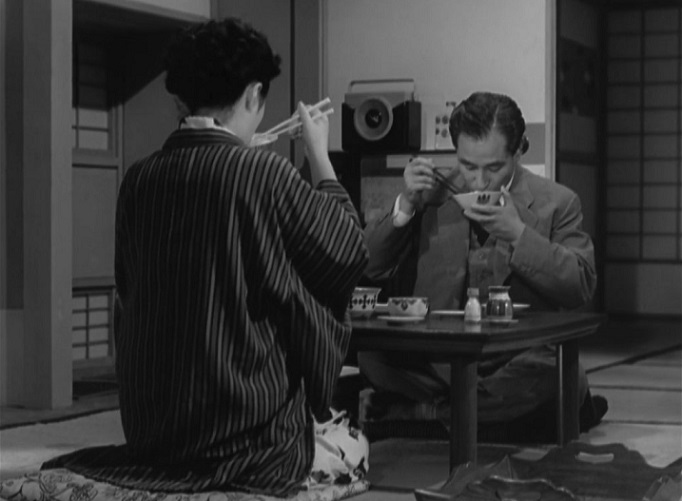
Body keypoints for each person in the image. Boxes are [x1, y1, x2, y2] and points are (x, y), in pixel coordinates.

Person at [43, 18, 369, 497]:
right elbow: (348, 250)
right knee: (353, 446)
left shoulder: (139, 179)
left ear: (180, 102)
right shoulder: (263, 171)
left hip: (156, 435)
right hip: (248, 440)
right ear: (254, 95)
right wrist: (318, 154)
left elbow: (128, 296)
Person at [358, 91, 607, 441]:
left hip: (514, 357)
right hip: (440, 357)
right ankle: (471, 416)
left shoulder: (557, 203)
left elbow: (580, 284)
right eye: (468, 166)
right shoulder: (433, 193)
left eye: (493, 167)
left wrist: (519, 233)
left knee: (562, 375)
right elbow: (369, 265)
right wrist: (406, 206)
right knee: (371, 354)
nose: (478, 181)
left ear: (518, 151)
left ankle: (423, 415)